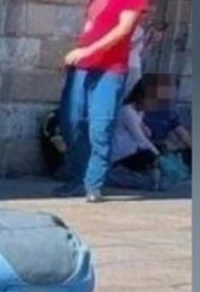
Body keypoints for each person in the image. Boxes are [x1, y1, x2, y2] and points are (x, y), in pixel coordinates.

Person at [56, 0, 147, 202]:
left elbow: (123, 29)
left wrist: (88, 51)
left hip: (111, 70)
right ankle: (76, 178)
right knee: (71, 121)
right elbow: (90, 27)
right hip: (82, 68)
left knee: (101, 126)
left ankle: (93, 184)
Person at [110, 79, 161, 175]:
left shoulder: (140, 112)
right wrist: (157, 154)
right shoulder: (127, 111)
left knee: (158, 148)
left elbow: (145, 132)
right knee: (150, 155)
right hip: (122, 155)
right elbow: (139, 137)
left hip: (133, 151)